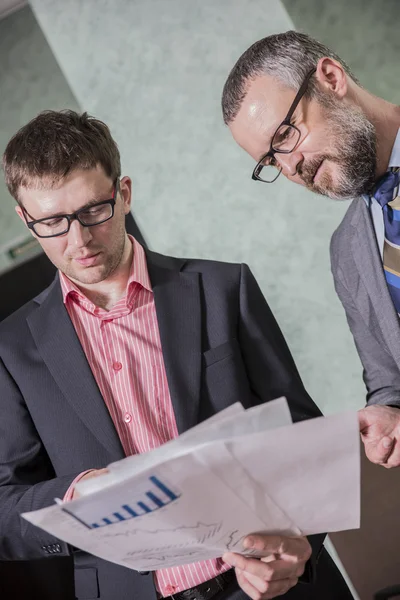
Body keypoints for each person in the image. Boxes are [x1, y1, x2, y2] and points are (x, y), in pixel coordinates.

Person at [0, 110, 352, 600]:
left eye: (93, 211)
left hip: (274, 584)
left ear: (123, 193)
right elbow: (5, 508)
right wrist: (77, 497)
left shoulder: (225, 288)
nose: (77, 240)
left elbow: (300, 435)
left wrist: (300, 546)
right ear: (25, 219)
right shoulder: (11, 351)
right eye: (52, 222)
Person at [221, 30, 400, 470]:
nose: (290, 168)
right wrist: (390, 414)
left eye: (284, 137)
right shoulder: (347, 252)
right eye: (269, 162)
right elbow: (388, 381)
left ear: (331, 78)